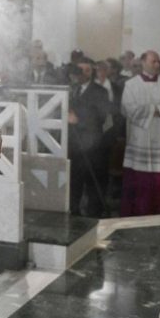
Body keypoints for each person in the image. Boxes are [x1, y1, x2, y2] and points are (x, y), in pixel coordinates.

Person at [120, 51, 160, 216]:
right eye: (153, 61)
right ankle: (138, 213)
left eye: (158, 62)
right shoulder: (131, 84)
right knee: (141, 180)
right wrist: (157, 109)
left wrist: (154, 109)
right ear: (143, 62)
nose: (157, 65)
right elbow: (128, 108)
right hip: (141, 137)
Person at [68, 58, 111, 217]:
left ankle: (94, 218)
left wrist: (78, 119)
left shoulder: (100, 91)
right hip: (74, 145)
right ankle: (73, 214)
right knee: (74, 183)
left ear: (92, 72)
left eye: (87, 70)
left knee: (93, 186)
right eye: (80, 70)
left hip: (93, 146)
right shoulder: (72, 89)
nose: (83, 74)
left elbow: (100, 116)